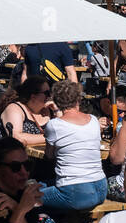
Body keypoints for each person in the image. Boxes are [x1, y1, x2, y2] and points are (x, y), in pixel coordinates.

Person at [40, 80, 107, 214]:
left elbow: (49, 155)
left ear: (56, 101)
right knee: (39, 184)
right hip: (100, 188)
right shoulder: (94, 120)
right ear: (78, 99)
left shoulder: (54, 125)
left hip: (75, 192)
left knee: (27, 195)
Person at [0, 76, 53, 148]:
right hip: (6, 155)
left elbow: (65, 130)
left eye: (50, 92)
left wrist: (57, 111)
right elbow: (16, 138)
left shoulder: (49, 110)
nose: (50, 96)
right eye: (46, 93)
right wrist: (51, 138)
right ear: (33, 96)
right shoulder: (14, 108)